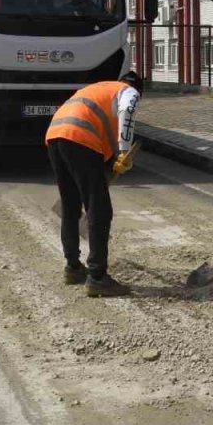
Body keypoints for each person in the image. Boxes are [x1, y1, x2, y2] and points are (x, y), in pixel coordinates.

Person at [45, 71, 143, 297]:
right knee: (99, 209)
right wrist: (124, 152)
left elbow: (101, 125)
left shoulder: (100, 89)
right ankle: (98, 277)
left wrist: (110, 163)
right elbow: (127, 111)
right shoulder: (128, 92)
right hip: (80, 138)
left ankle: (73, 268)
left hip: (55, 135)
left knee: (70, 205)